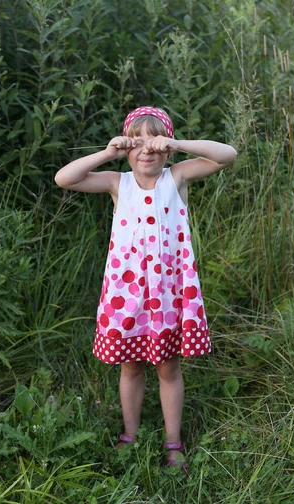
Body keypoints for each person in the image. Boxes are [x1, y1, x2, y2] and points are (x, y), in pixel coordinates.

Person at [55, 106, 237, 468]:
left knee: (169, 368)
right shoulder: (116, 182)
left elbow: (227, 155)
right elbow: (65, 178)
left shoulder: (178, 176)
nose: (147, 150)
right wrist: (109, 152)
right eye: (138, 142)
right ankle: (130, 435)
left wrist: (177, 143)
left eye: (156, 142)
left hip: (169, 295)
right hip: (127, 297)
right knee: (130, 367)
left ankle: (173, 443)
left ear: (167, 150)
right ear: (127, 148)